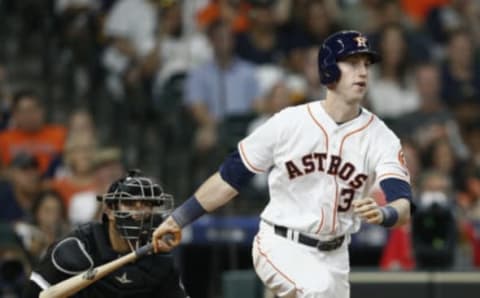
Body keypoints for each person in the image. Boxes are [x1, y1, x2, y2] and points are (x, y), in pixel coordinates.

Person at [153, 30, 414, 297]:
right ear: (328, 68)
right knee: (317, 291)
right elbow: (229, 178)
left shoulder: (381, 137)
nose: (362, 72)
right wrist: (179, 219)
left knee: (320, 288)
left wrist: (385, 214)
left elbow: (402, 204)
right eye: (352, 63)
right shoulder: (289, 122)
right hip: (281, 243)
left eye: (366, 64)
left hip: (335, 256)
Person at [24, 170, 189, 298]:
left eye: (146, 204)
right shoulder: (78, 247)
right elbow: (35, 293)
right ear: (110, 211)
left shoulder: (158, 259)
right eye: (129, 203)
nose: (139, 211)